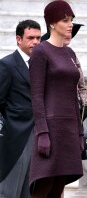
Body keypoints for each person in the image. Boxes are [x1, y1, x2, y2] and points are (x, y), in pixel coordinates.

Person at [29, 0, 83, 197]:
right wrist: (42, 132)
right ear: (52, 23)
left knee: (58, 187)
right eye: (65, 20)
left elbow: (73, 94)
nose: (70, 24)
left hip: (69, 128)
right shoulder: (41, 51)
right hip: (51, 128)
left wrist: (79, 132)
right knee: (43, 186)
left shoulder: (69, 52)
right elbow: (36, 95)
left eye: (71, 20)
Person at [0, 20, 41, 198]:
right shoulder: (6, 64)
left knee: (29, 191)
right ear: (19, 39)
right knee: (9, 190)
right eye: (31, 38)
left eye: (39, 38)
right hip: (15, 136)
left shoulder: (41, 64)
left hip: (39, 134)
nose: (36, 42)